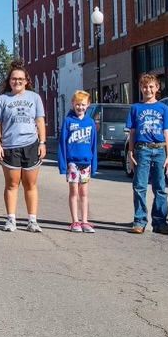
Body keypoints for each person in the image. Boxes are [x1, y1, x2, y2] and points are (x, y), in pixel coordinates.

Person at [0, 60, 48, 233]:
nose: (17, 81)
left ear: (26, 81)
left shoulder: (34, 97)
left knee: (30, 184)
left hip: (31, 145)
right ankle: (11, 219)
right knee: (12, 184)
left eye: (20, 79)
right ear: (9, 81)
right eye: (14, 79)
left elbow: (40, 121)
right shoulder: (2, 99)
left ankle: (32, 220)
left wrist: (42, 142)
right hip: (10, 146)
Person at [127, 72, 168, 235]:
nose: (148, 90)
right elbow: (132, 132)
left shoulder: (163, 108)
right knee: (140, 186)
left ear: (157, 88)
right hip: (142, 149)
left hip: (159, 149)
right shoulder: (135, 108)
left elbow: (166, 132)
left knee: (160, 187)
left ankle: (160, 222)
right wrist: (130, 152)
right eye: (145, 87)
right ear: (140, 88)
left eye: (151, 86)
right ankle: (139, 221)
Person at [58, 90, 98, 233]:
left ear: (88, 105)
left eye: (83, 104)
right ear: (73, 104)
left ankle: (85, 221)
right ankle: (75, 221)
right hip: (72, 163)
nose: (80, 107)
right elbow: (62, 143)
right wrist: (63, 165)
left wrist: (94, 165)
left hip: (86, 162)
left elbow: (93, 144)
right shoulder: (68, 121)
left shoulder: (90, 122)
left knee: (84, 193)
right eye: (77, 104)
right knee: (74, 191)